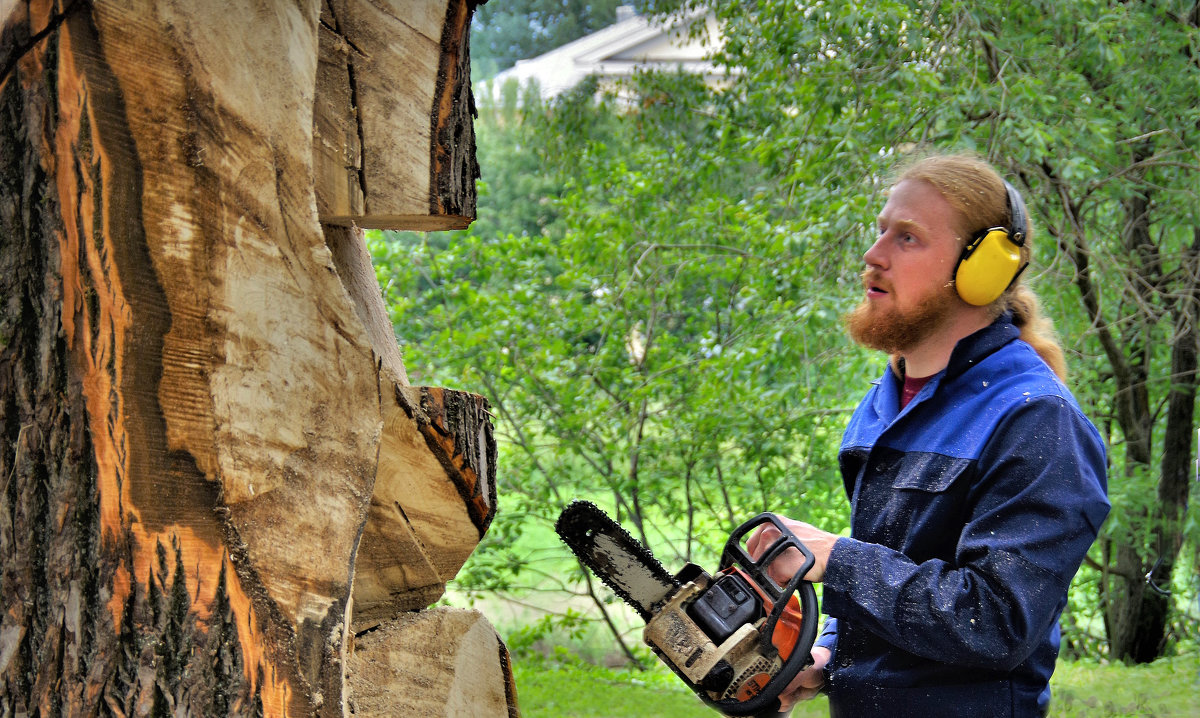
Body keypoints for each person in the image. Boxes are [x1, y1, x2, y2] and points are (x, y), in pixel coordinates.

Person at [747, 153, 1110, 717]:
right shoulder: (889, 398)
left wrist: (836, 561)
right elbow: (900, 564)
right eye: (880, 232)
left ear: (981, 268)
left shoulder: (1036, 420)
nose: (873, 256)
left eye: (908, 238)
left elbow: (995, 622)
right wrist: (824, 656)